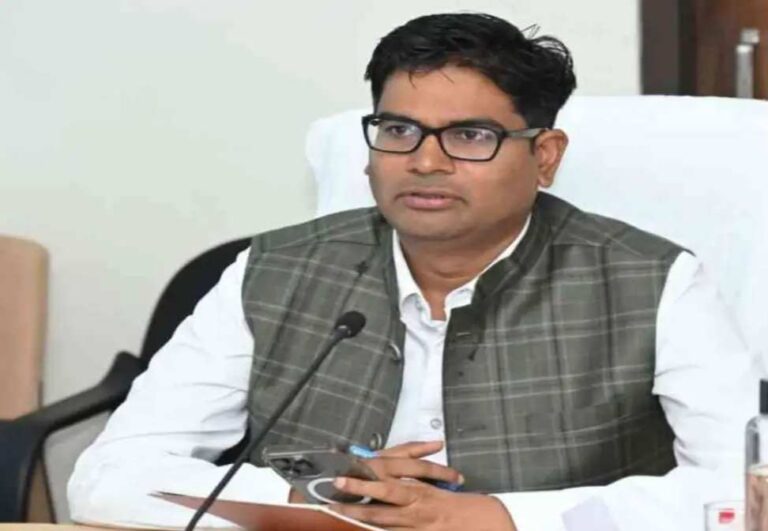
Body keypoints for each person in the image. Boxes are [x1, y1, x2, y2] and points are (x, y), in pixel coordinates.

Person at [68, 12, 758, 531]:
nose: (425, 162)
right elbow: (107, 478)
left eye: (470, 136)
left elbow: (745, 489)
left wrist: (500, 516)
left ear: (545, 156)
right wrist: (317, 498)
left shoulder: (653, 282)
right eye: (399, 131)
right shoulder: (276, 271)